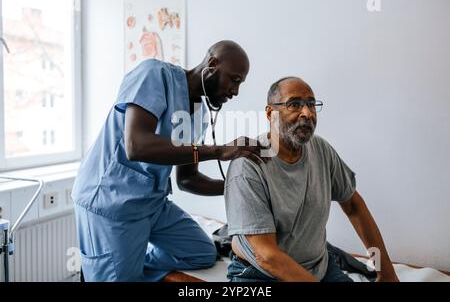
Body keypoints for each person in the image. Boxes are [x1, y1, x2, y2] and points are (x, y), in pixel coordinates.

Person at [72, 40, 263, 282]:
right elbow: (136, 145)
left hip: (152, 204)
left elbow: (187, 180)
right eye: (234, 79)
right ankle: (119, 266)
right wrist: (218, 150)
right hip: (111, 202)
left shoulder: (199, 114)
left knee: (203, 254)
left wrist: (238, 187)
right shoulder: (154, 74)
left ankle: (129, 261)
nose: (235, 92)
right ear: (212, 64)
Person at [225, 77, 400, 282]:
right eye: (295, 104)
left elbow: (354, 206)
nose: (307, 113)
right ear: (270, 114)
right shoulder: (248, 165)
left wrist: (385, 272)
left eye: (311, 104)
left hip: (318, 267)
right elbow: (267, 257)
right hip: (261, 273)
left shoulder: (321, 150)